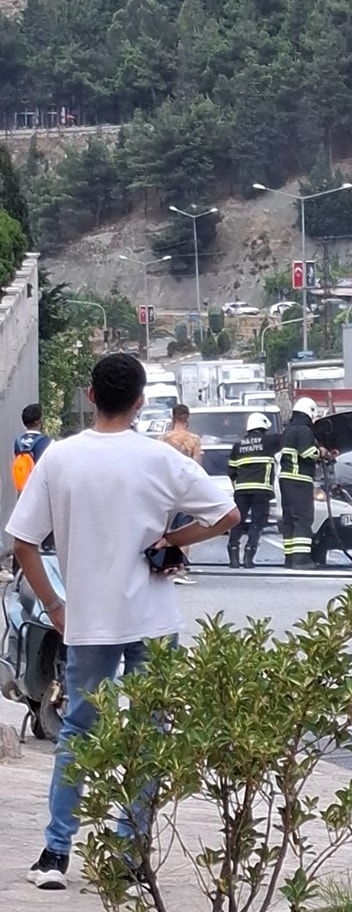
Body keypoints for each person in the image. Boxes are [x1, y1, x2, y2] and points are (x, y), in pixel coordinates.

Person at [5, 353, 239, 891]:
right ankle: (130, 858)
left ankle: (54, 854)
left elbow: (23, 541)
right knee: (150, 735)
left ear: (90, 395)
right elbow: (226, 515)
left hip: (87, 621)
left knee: (78, 733)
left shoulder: (59, 459)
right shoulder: (161, 460)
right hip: (153, 620)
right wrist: (171, 540)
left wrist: (56, 607)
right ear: (139, 401)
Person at [227, 412, 281, 569]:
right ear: (263, 427)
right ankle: (249, 557)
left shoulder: (238, 446)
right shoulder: (269, 441)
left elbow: (231, 472)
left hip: (241, 491)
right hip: (261, 490)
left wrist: (238, 485)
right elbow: (287, 438)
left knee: (237, 522)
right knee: (257, 523)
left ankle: (233, 556)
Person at [160, 404, 203, 585]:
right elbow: (196, 467)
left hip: (165, 490)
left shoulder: (162, 439)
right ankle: (179, 569)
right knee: (184, 530)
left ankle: (166, 565)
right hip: (185, 490)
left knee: (166, 530)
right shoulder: (193, 440)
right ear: (188, 418)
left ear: (172, 417)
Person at [278, 397, 321, 568]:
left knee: (289, 519)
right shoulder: (304, 430)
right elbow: (308, 453)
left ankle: (289, 558)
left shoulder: (288, 430)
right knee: (303, 519)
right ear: (310, 412)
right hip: (300, 479)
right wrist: (321, 453)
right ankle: (301, 558)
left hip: (286, 480)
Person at [12, 403, 52, 493]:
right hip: (40, 492)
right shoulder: (48, 443)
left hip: (23, 491)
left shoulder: (18, 442)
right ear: (39, 421)